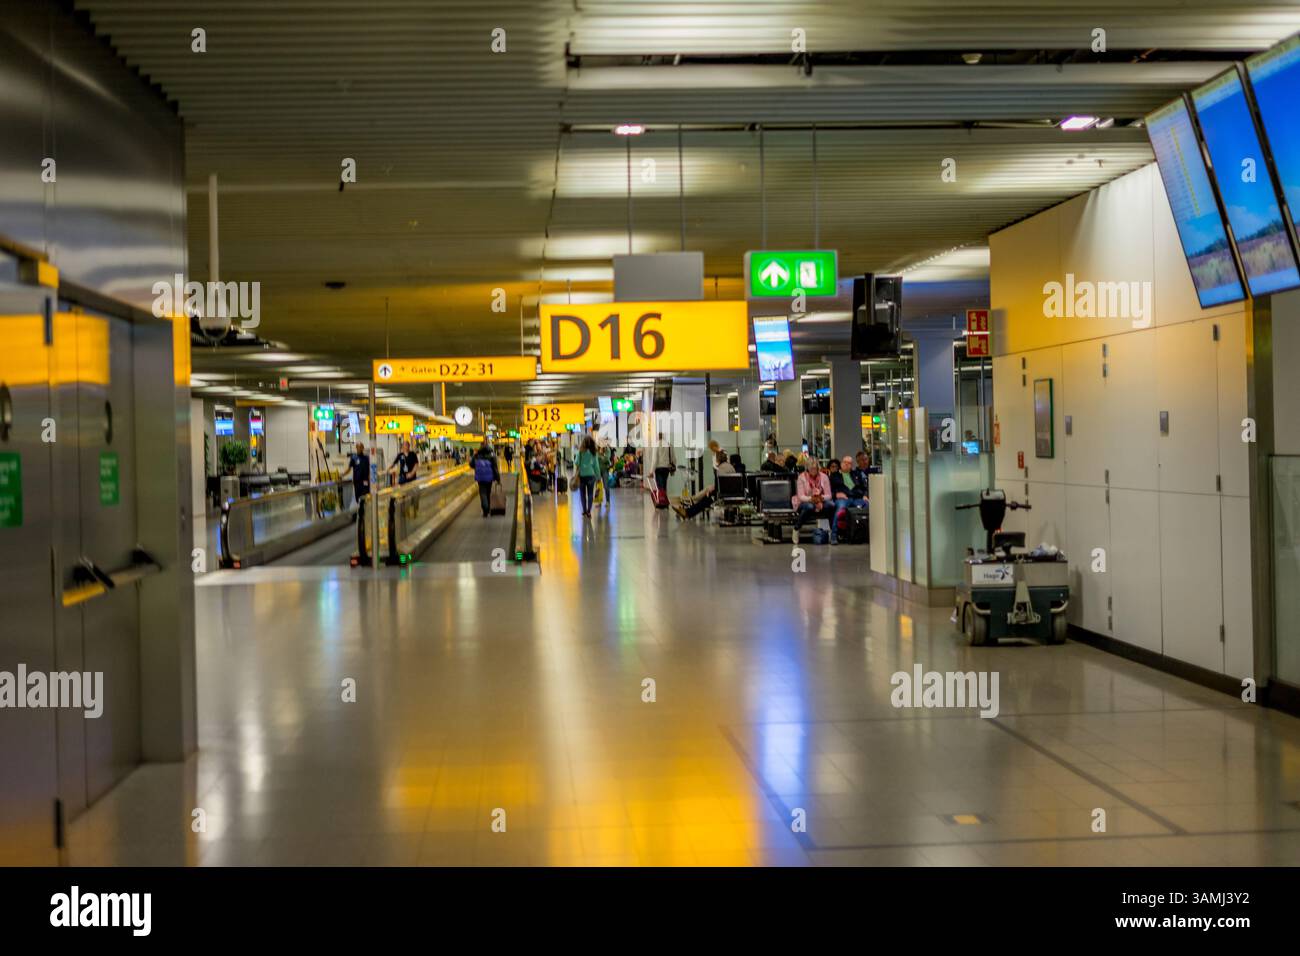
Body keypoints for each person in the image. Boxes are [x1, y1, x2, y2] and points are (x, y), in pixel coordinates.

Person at [673, 449, 735, 520]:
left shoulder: (721, 469)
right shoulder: (729, 466)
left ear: (718, 459)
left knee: (706, 500)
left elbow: (720, 485)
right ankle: (689, 509)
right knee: (706, 497)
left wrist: (712, 492)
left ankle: (688, 510)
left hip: (725, 493)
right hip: (730, 491)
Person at [792, 456, 834, 542]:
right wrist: (812, 499)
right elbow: (801, 496)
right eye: (811, 468)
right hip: (804, 502)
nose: (813, 470)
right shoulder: (801, 477)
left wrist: (820, 498)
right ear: (807, 468)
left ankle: (832, 532)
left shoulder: (824, 477)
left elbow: (829, 495)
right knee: (809, 507)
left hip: (820, 500)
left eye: (815, 468)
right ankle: (796, 529)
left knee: (831, 505)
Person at [830, 455, 868, 543]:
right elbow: (829, 491)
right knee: (839, 509)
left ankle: (867, 534)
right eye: (845, 462)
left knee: (867, 506)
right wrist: (835, 494)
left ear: (852, 465)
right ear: (841, 463)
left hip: (856, 497)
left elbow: (864, 487)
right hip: (843, 498)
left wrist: (865, 495)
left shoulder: (856, 474)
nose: (847, 465)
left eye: (849, 463)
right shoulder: (834, 476)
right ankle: (834, 536)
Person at [472, 440, 500, 517]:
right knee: (488, 492)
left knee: (482, 493)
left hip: (480, 477)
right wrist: (498, 478)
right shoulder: (491, 454)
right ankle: (488, 508)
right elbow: (495, 467)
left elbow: (471, 464)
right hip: (489, 477)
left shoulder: (477, 454)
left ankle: (485, 509)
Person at [343, 442, 370, 517]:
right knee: (358, 498)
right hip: (357, 482)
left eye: (360, 447)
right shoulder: (353, 458)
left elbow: (370, 470)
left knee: (365, 497)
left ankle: (365, 512)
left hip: (365, 482)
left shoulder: (367, 458)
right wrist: (342, 474)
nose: (359, 449)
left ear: (363, 448)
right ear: (356, 448)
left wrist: (371, 479)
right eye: (357, 447)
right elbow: (349, 469)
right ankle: (360, 513)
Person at [576, 435, 600, 517]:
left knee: (582, 494)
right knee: (590, 494)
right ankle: (589, 511)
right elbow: (596, 465)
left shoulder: (580, 451)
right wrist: (598, 477)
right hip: (591, 475)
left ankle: (584, 510)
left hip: (582, 475)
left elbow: (576, 462)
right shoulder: (594, 452)